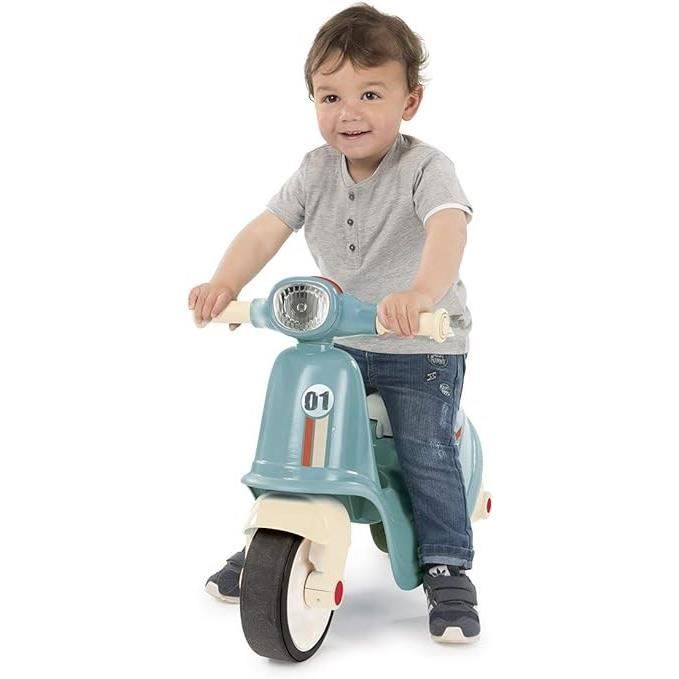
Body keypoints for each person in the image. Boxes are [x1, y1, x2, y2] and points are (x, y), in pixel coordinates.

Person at [188, 3, 480, 643]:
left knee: (423, 448)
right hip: (336, 342)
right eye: (330, 96)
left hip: (418, 345)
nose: (348, 112)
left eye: (370, 94)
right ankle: (275, 534)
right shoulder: (314, 170)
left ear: (410, 102)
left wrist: (421, 294)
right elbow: (266, 229)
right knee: (296, 433)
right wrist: (225, 283)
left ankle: (446, 563)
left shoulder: (425, 169)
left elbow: (447, 228)